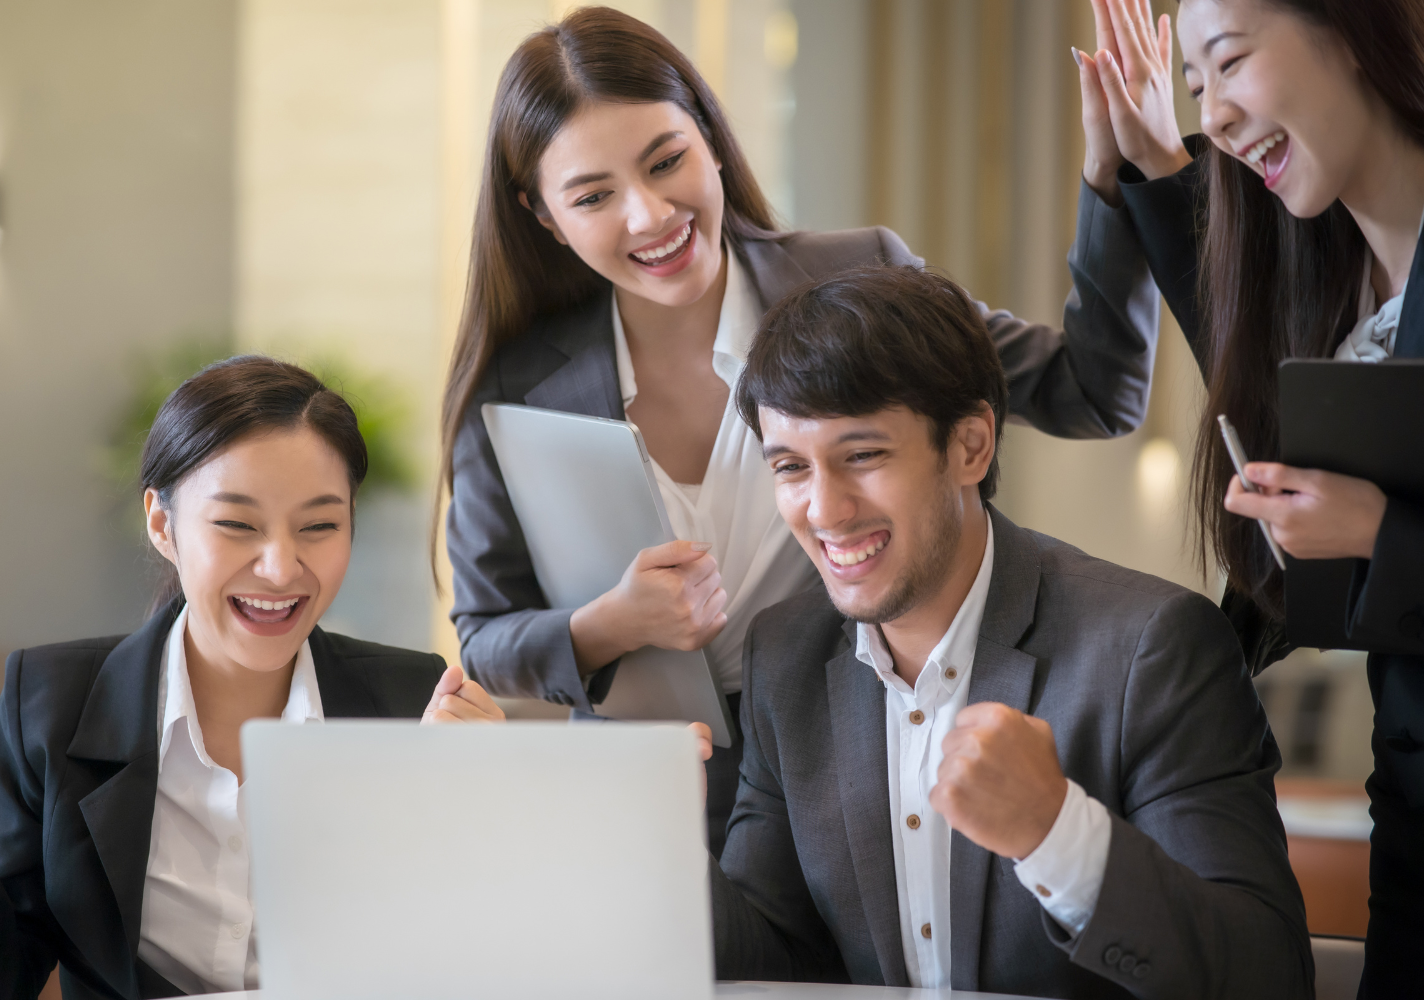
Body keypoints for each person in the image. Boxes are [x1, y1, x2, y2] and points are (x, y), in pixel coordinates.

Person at [444, 5, 1167, 854]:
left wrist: (1121, 180)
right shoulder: (519, 386)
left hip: (860, 773)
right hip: (648, 800)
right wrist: (615, 621)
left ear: (710, 138)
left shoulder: (856, 276)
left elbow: (1093, 389)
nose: (648, 216)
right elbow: (486, 636)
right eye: (594, 196)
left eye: (666, 161)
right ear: (544, 216)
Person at [709, 264, 1311, 997]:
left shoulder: (1153, 648)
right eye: (790, 467)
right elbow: (769, 961)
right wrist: (655, 835)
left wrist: (1056, 833)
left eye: (862, 456)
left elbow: (1268, 978)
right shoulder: (785, 656)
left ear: (971, 446)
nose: (825, 510)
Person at [0, 356, 504, 1000]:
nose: (281, 569)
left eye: (319, 525)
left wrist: (480, 815)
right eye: (236, 524)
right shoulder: (51, 702)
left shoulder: (414, 706)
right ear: (162, 523)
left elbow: (464, 958)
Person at [1075, 1, 1424, 993]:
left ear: (1354, 32)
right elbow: (1245, 338)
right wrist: (1146, 161)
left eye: (1228, 64)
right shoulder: (1335, 285)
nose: (1216, 116)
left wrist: (1375, 533)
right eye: (1194, 90)